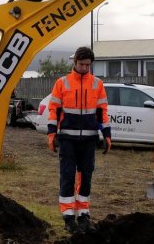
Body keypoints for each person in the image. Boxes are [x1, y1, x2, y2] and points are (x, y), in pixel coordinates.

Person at [47, 46, 111, 234]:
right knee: (67, 176)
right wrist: (51, 135)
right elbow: (53, 111)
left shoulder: (97, 84)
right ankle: (68, 217)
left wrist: (107, 135)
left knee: (86, 177)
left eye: (88, 65)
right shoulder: (62, 83)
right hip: (67, 139)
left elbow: (102, 112)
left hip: (89, 139)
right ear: (74, 62)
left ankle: (83, 215)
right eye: (81, 64)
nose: (84, 68)